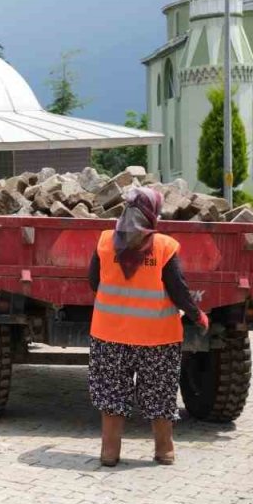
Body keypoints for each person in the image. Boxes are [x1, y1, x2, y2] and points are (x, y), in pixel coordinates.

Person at [88, 187, 209, 467]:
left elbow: (94, 282)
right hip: (158, 338)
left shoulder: (105, 242)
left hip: (109, 335)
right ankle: (164, 450)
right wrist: (197, 315)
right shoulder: (165, 247)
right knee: (159, 391)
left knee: (111, 393)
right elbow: (179, 290)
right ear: (152, 213)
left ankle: (109, 452)